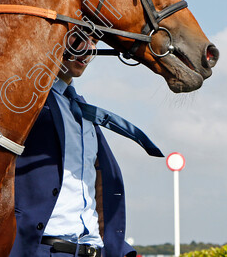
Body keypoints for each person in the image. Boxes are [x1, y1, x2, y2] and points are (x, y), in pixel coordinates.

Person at [11, 32, 137, 257]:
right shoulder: (25, 100)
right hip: (42, 249)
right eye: (79, 37)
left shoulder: (84, 111)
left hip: (93, 250)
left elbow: (95, 185)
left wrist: (121, 249)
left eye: (95, 42)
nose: (87, 49)